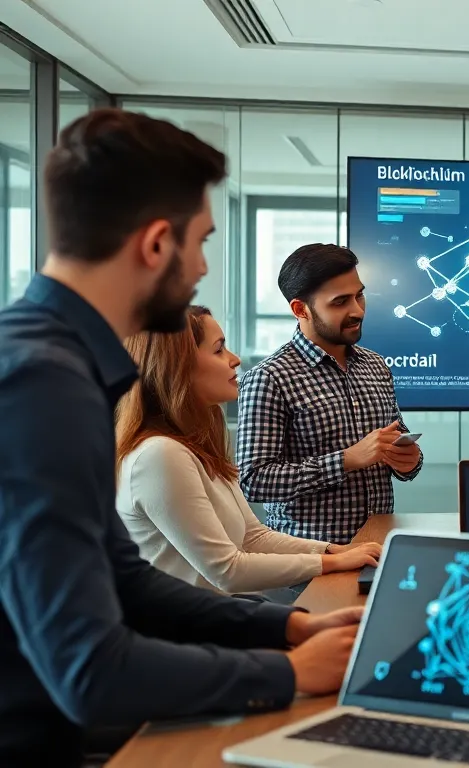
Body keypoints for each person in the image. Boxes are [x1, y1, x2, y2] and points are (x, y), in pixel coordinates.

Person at [0, 109, 359, 766]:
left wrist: (290, 625)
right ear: (156, 244)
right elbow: (89, 671)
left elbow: (124, 578)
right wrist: (291, 673)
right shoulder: (42, 386)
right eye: (202, 242)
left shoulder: (51, 361)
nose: (200, 267)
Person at [115, 305, 383, 594]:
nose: (234, 359)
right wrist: (329, 563)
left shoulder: (194, 447)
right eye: (219, 350)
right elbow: (227, 571)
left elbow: (253, 538)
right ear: (177, 366)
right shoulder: (158, 455)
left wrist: (336, 551)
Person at [236, 243, 423, 545]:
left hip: (377, 548)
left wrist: (409, 461)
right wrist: (346, 460)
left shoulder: (375, 365)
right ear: (300, 309)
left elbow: (396, 444)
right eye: (340, 302)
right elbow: (253, 481)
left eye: (359, 295)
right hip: (310, 561)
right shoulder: (269, 378)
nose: (357, 310)